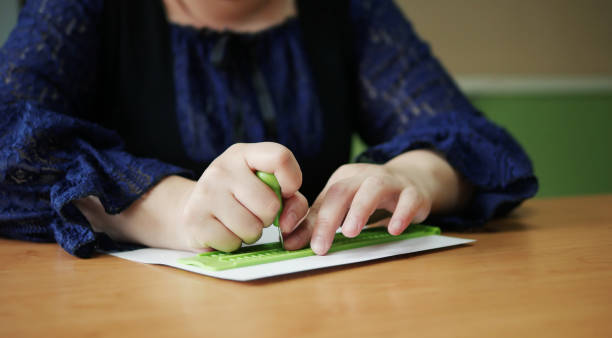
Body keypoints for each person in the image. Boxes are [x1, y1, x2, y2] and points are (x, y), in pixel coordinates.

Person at [0, 0, 538, 257]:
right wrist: (168, 209)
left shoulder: (350, 10)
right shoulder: (79, 9)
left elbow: (475, 140)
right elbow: (9, 140)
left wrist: (415, 176)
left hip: (320, 324)